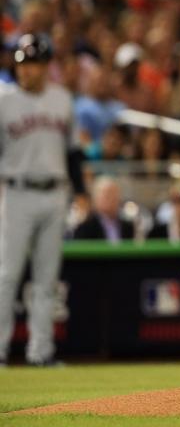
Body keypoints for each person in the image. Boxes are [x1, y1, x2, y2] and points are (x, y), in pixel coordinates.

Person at [0, 34, 86, 366]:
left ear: (47, 67)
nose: (27, 71)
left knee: (47, 279)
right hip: (16, 192)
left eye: (34, 64)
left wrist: (81, 193)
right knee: (7, 276)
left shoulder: (62, 99)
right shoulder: (4, 101)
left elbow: (73, 152)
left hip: (56, 193)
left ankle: (41, 353)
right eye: (22, 64)